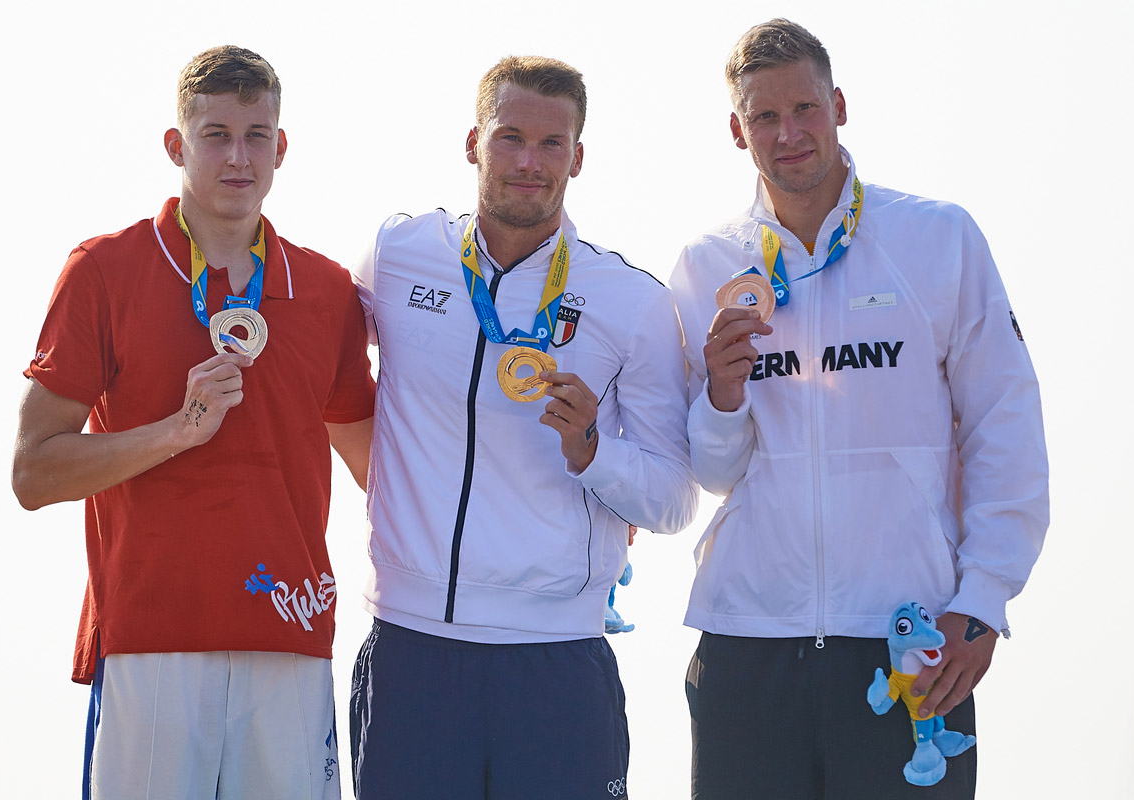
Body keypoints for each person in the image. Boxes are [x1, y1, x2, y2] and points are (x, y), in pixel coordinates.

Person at [669, 19, 1049, 799]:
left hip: (904, 642)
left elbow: (1005, 426)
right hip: (748, 645)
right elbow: (710, 470)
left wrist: (982, 604)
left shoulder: (937, 238)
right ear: (737, 132)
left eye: (804, 108)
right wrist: (722, 394)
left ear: (839, 106)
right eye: (765, 118)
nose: (790, 133)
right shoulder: (706, 264)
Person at [12, 45, 375, 800]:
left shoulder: (327, 290)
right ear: (177, 145)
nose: (237, 157)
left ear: (282, 147)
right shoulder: (104, 271)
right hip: (153, 639)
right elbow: (33, 471)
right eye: (216, 134)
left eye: (256, 135)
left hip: (289, 630)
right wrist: (175, 431)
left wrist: (563, 506)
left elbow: (383, 471)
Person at [348, 55, 698, 799]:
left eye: (552, 144)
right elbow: (320, 365)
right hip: (411, 647)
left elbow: (673, 500)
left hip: (556, 659)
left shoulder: (631, 301)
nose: (529, 163)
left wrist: (593, 452)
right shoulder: (399, 253)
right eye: (510, 138)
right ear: (473, 142)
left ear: (578, 157)